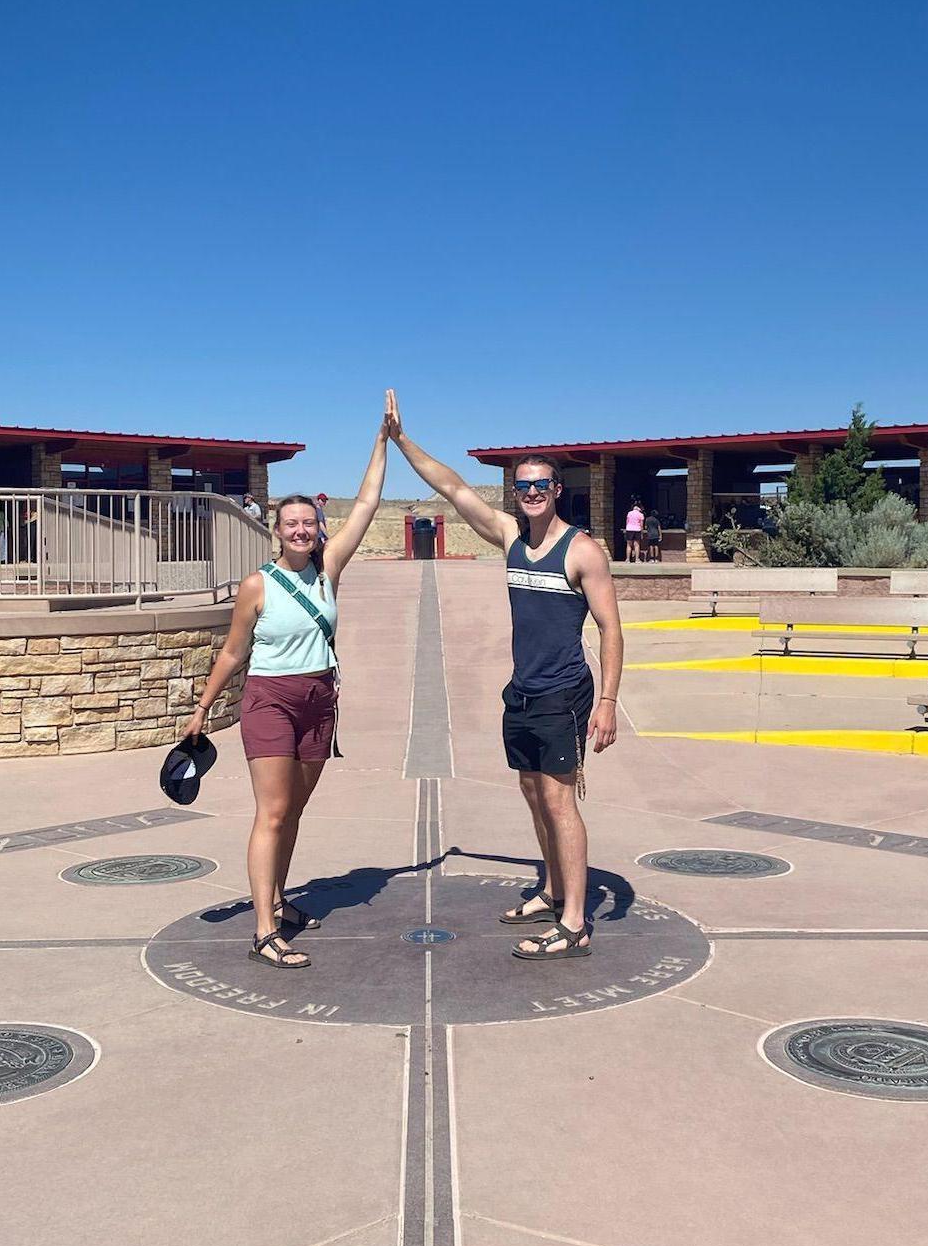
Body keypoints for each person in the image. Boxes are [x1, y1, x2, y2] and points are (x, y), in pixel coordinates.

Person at [387, 400, 622, 961]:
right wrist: (401, 440)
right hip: (521, 691)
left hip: (564, 693)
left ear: (557, 489)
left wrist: (608, 701)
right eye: (523, 486)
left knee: (560, 803)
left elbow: (611, 629)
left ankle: (574, 922)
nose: (532, 493)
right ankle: (551, 889)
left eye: (541, 485)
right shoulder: (511, 537)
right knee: (533, 793)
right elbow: (452, 487)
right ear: (514, 492)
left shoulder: (582, 551)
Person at [181, 420, 389, 968]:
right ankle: (264, 932)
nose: (301, 531)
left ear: (319, 528)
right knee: (272, 813)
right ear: (276, 531)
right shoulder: (258, 585)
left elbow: (367, 504)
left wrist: (381, 443)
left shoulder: (328, 569)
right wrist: (203, 708)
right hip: (269, 700)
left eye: (308, 523)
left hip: (320, 701)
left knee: (294, 809)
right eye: (291, 524)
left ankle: (277, 898)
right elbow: (233, 652)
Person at [623, 499, 644, 563]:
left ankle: (627, 559)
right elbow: (641, 525)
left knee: (629, 545)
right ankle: (637, 559)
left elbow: (627, 522)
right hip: (637, 529)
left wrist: (626, 529)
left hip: (629, 529)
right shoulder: (641, 514)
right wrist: (642, 532)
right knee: (636, 545)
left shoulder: (629, 513)